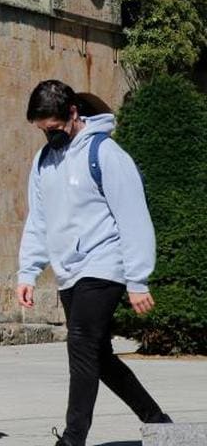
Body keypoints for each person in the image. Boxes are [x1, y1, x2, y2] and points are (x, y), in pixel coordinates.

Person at [17, 79, 173, 446]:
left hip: (105, 264)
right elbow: (38, 219)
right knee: (98, 357)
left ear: (73, 114)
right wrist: (28, 270)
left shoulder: (105, 154)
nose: (49, 137)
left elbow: (133, 216)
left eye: (54, 129)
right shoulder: (43, 161)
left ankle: (72, 439)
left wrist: (137, 279)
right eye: (43, 131)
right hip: (69, 271)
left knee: (82, 345)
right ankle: (161, 426)